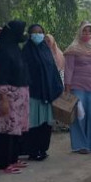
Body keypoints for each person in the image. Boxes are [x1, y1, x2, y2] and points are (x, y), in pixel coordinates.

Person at [0, 20, 31, 174]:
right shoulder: (3, 51)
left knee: (16, 130)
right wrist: (3, 99)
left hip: (19, 96)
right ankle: (5, 163)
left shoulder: (15, 48)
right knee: (6, 130)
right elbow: (0, 76)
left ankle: (14, 159)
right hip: (7, 96)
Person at [64, 21, 91, 154]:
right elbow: (69, 69)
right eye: (84, 31)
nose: (87, 33)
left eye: (89, 31)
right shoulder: (73, 48)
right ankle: (80, 145)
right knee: (79, 116)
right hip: (77, 87)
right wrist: (67, 88)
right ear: (80, 31)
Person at [20, 24, 64, 161]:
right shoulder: (26, 51)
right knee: (34, 123)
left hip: (48, 94)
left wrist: (58, 89)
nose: (38, 35)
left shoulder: (46, 49)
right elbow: (23, 73)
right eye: (34, 32)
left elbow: (53, 71)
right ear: (29, 35)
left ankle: (43, 149)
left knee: (46, 123)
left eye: (40, 32)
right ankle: (33, 151)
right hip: (33, 94)